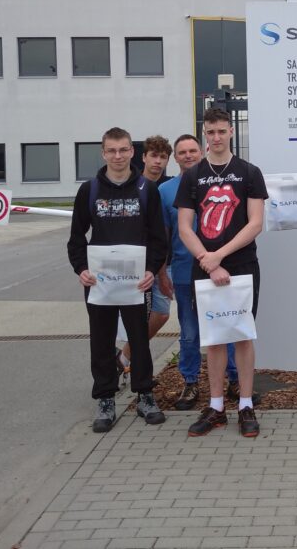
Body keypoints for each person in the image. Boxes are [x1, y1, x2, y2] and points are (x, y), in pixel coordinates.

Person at [67, 126, 168, 433]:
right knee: (101, 340)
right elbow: (76, 238)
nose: (118, 156)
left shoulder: (146, 190)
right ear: (103, 153)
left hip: (136, 282)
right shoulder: (90, 190)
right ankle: (105, 399)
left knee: (139, 339)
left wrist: (151, 269)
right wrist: (81, 269)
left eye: (123, 149)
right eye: (111, 150)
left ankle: (145, 395)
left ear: (132, 152)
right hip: (100, 283)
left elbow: (158, 238)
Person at [175, 108, 267, 438]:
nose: (216, 137)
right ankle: (215, 407)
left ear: (231, 131)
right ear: (205, 134)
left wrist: (219, 257)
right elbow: (185, 227)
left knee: (242, 334)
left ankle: (245, 405)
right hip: (205, 267)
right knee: (213, 338)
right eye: (210, 132)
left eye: (221, 131)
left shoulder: (249, 172)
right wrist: (208, 261)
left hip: (242, 265)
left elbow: (255, 223)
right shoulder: (193, 175)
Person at [158, 134, 241, 411]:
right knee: (190, 332)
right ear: (175, 157)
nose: (188, 156)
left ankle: (235, 380)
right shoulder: (165, 191)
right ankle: (191, 382)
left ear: (201, 151)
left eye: (192, 150)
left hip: (222, 269)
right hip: (184, 271)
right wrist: (162, 272)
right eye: (182, 152)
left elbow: (256, 201)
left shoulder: (219, 181)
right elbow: (163, 235)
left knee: (227, 326)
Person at [117, 135, 174, 373]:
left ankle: (124, 357)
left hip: (163, 261)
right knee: (137, 316)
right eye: (154, 156)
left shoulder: (168, 187)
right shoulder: (132, 185)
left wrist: (162, 271)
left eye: (163, 157)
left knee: (160, 314)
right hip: (136, 262)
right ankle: (135, 366)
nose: (158, 161)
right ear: (143, 157)